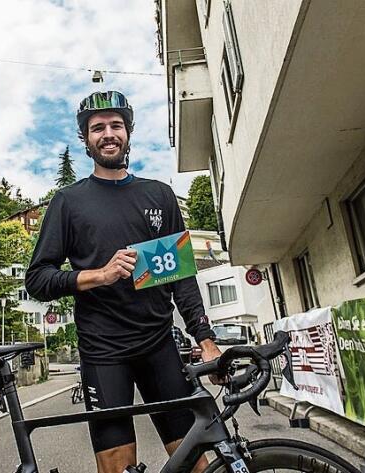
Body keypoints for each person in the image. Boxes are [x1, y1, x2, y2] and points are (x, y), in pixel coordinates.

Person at [25, 91, 222, 473]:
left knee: (195, 462)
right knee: (117, 467)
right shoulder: (68, 201)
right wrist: (99, 274)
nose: (108, 133)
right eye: (97, 128)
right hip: (103, 351)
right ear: (87, 140)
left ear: (128, 132)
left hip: (159, 345)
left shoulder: (159, 196)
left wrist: (206, 341)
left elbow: (182, 278)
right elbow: (38, 279)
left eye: (116, 125)